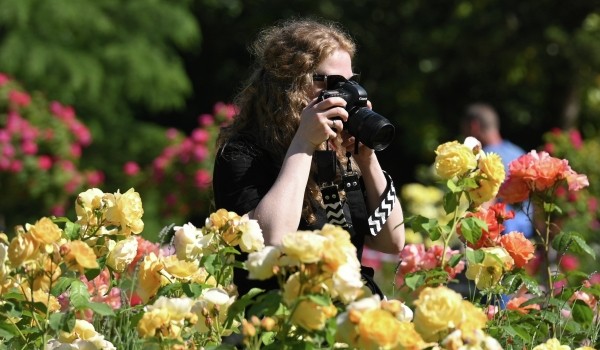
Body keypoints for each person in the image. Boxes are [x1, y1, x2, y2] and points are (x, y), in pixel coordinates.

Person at [212, 18, 405, 298]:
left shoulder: (338, 153)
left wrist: (367, 159)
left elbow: (392, 241)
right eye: (334, 83)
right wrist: (304, 142)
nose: (349, 94)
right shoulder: (243, 154)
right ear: (289, 85)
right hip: (278, 322)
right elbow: (270, 240)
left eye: (352, 82)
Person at [462, 102, 534, 238]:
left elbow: (485, 204)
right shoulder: (518, 153)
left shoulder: (484, 158)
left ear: (474, 126)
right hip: (526, 237)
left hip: (499, 237)